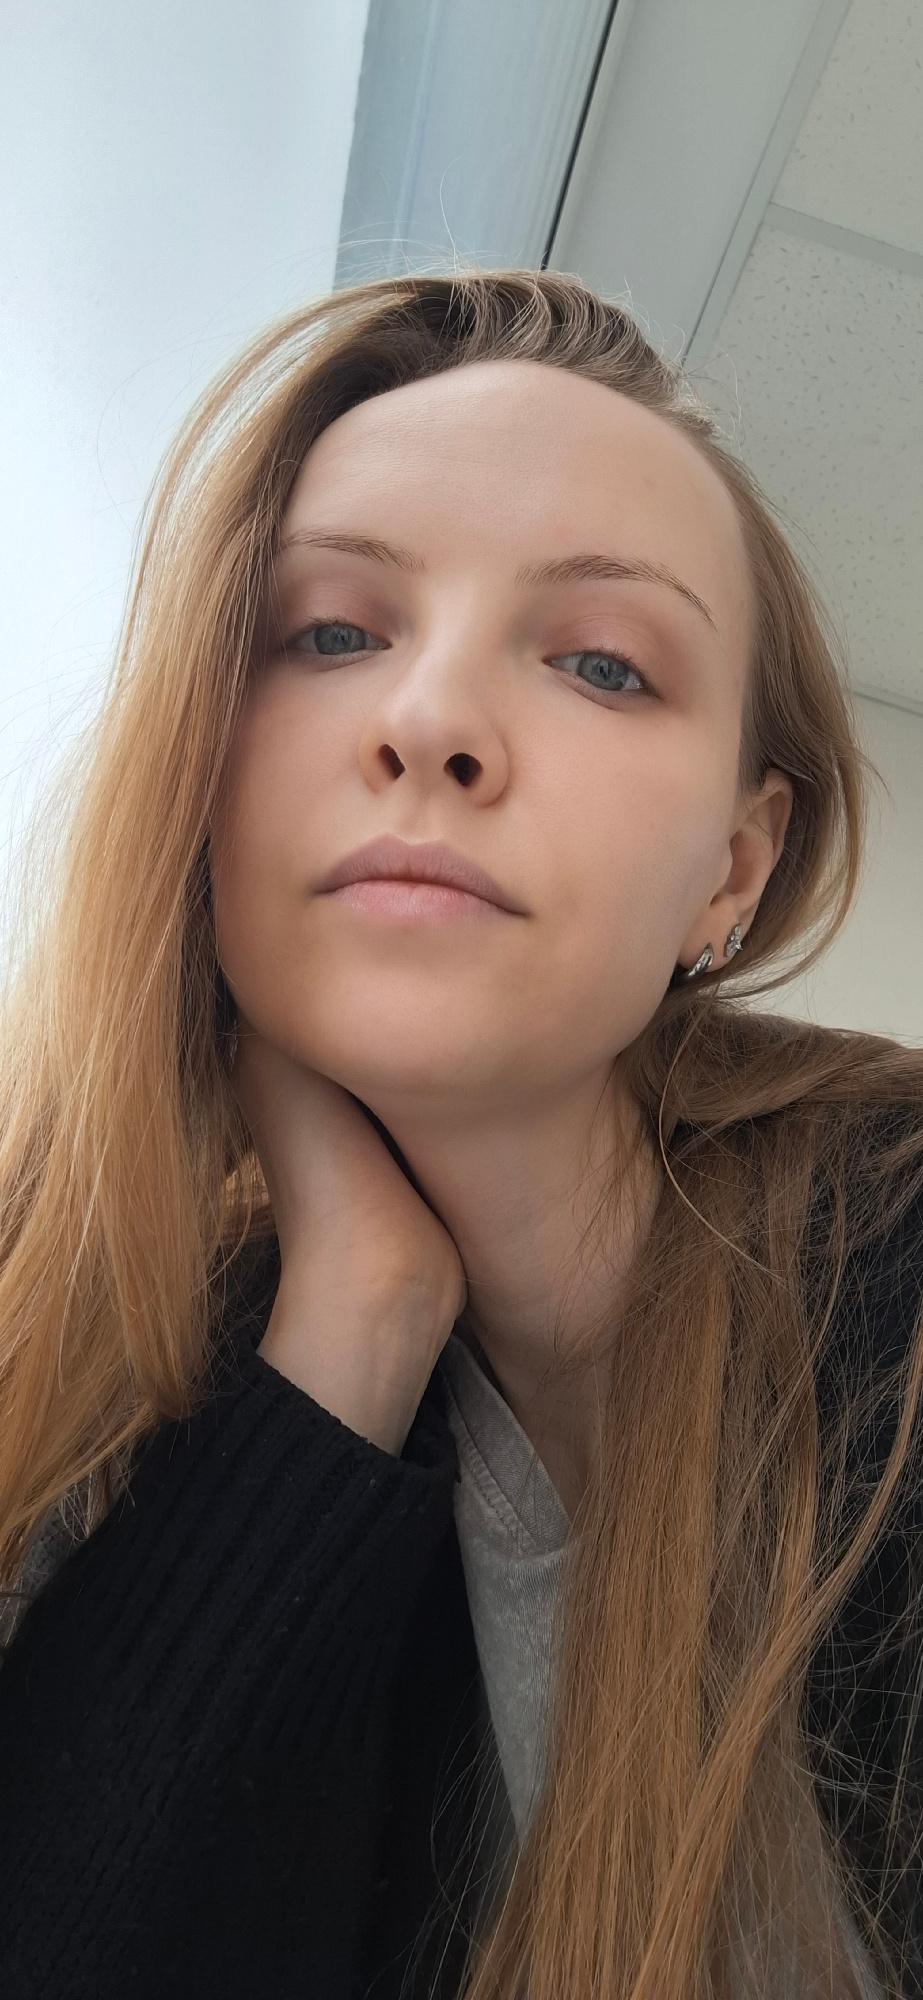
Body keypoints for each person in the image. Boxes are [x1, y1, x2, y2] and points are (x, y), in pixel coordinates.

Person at [0, 268, 921, 2000]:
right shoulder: (90, 1341)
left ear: (732, 873)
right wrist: (352, 1323)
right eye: (332, 634)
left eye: (601, 663)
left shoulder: (898, 1272)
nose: (426, 722)